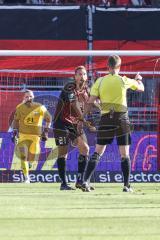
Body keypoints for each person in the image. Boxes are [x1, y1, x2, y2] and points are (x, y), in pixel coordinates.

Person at [81, 55, 144, 192]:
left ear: (107, 66)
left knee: (98, 151)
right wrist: (138, 79)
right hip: (122, 118)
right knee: (124, 154)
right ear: (119, 66)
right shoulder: (124, 80)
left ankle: (85, 181)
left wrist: (83, 117)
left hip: (106, 119)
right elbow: (141, 88)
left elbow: (90, 102)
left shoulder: (100, 81)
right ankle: (126, 186)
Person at [53, 66, 95, 190]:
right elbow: (74, 104)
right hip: (61, 123)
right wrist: (84, 120)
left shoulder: (86, 89)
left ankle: (80, 181)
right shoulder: (69, 87)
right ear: (74, 76)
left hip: (75, 124)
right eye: (79, 74)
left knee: (85, 149)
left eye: (84, 74)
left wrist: (102, 108)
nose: (82, 76)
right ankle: (63, 183)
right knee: (63, 152)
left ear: (87, 77)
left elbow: (89, 104)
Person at [11, 90, 52, 183]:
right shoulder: (19, 107)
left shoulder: (40, 107)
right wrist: (14, 132)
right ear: (23, 98)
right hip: (23, 136)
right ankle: (26, 178)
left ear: (33, 97)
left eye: (30, 96)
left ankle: (29, 164)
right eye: (26, 97)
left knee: (33, 157)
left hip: (35, 137)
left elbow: (49, 119)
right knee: (23, 157)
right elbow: (16, 120)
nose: (29, 98)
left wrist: (45, 132)